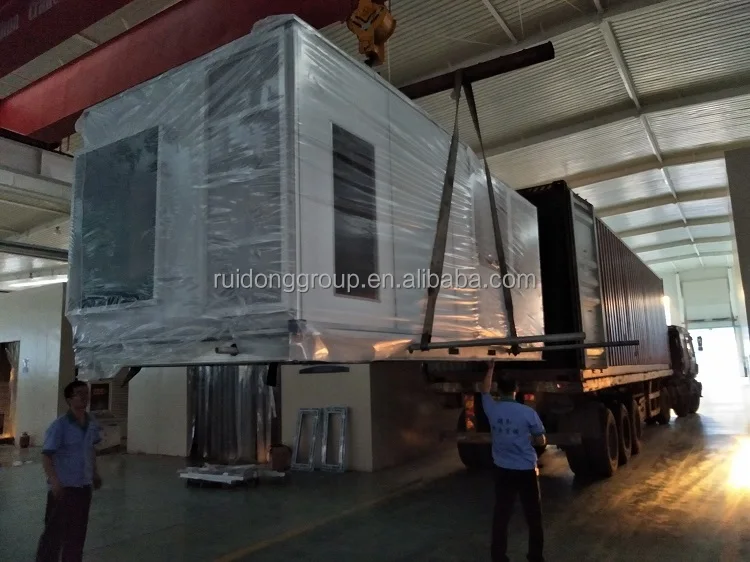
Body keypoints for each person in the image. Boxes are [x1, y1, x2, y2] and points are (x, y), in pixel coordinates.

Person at [481, 360, 546, 562]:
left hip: (502, 469)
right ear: (516, 390)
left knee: (501, 515)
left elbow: (484, 391)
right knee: (533, 517)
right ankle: (535, 556)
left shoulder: (492, 409)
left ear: (499, 390)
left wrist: (490, 369)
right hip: (526, 470)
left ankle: (498, 556)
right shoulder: (528, 413)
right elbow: (541, 440)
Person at [36, 380, 103, 562]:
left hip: (83, 487)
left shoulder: (91, 423)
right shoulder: (60, 426)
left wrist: (94, 472)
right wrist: (54, 481)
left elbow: (91, 449)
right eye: (79, 393)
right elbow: (47, 456)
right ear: (69, 399)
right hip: (64, 489)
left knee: (77, 533)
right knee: (54, 535)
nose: (84, 397)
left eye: (86, 393)